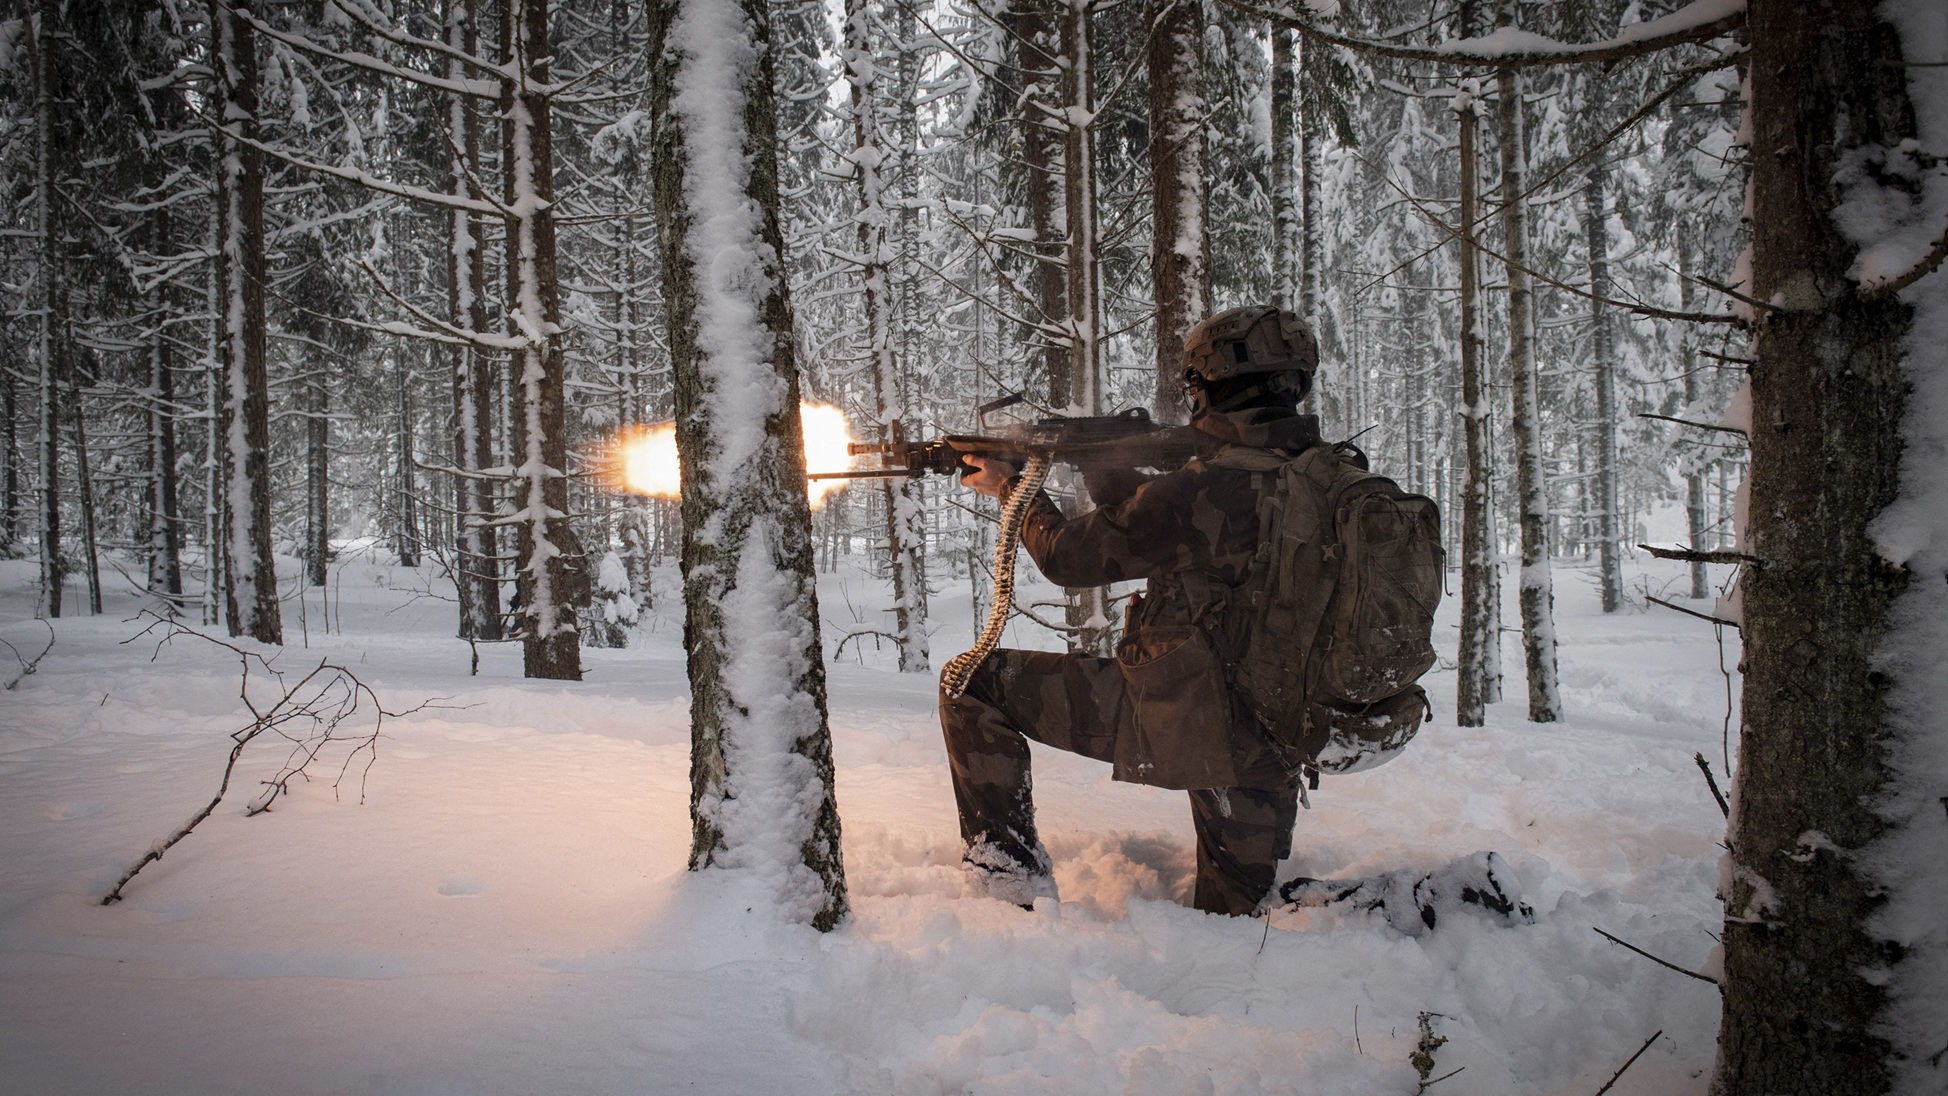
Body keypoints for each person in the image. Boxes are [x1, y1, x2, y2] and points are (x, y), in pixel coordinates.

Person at [943, 304, 1320, 915]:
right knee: (1248, 915)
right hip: (1276, 735)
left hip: (1192, 715)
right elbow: (1165, 538)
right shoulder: (1318, 476)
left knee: (970, 682)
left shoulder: (1209, 486)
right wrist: (1102, 464)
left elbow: (1070, 558)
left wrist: (1015, 488)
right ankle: (1422, 904)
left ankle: (1006, 887)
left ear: (1209, 385)